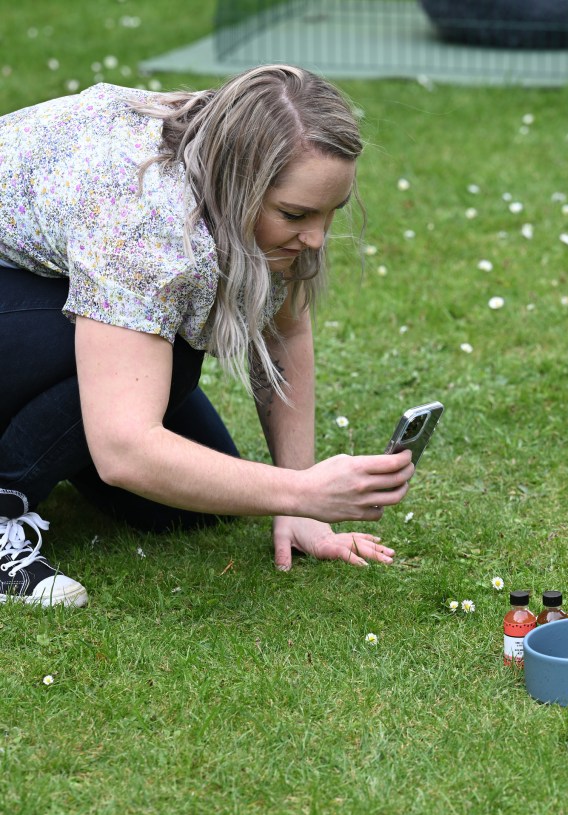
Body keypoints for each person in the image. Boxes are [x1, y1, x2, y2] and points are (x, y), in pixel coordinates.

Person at [0, 65, 416, 608]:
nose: (315, 238)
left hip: (34, 281)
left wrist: (298, 507)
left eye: (329, 213)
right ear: (239, 186)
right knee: (165, 366)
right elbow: (124, 451)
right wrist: (305, 490)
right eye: (295, 214)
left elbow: (283, 330)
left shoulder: (232, 148)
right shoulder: (145, 222)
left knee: (188, 506)